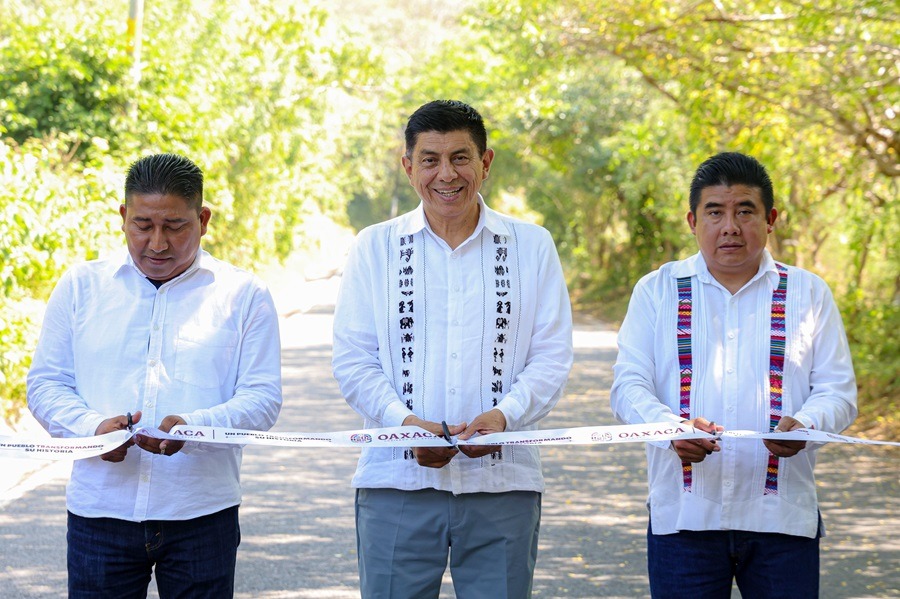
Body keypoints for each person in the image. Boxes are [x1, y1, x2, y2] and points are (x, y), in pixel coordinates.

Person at [332, 100, 573, 598]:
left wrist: (505, 417)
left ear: (486, 163)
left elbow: (551, 356)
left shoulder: (531, 245)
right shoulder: (374, 248)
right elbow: (354, 360)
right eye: (430, 159)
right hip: (394, 484)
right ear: (408, 167)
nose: (447, 174)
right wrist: (402, 425)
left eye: (461, 158)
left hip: (503, 485)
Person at [27, 153, 282, 598]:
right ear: (124, 217)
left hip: (202, 513)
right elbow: (46, 384)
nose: (158, 243)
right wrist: (92, 430)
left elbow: (261, 398)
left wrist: (196, 427)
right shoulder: (80, 287)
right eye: (143, 226)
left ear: (203, 219)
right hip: (100, 513)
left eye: (175, 226)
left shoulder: (244, 295)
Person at [610, 152, 857, 598]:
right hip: (684, 519)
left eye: (745, 211)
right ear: (692, 220)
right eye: (715, 212)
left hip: (782, 520)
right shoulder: (657, 290)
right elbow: (628, 385)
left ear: (771, 219)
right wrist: (670, 430)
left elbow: (838, 390)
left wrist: (807, 425)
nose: (730, 226)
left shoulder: (808, 292)